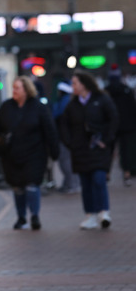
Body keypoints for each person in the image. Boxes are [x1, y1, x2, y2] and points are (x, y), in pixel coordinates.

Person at [0, 76, 59, 230]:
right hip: (11, 156)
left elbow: (49, 130)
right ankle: (21, 217)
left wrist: (54, 151)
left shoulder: (38, 107)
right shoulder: (7, 107)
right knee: (17, 187)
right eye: (13, 87)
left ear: (26, 90)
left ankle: (34, 215)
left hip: (35, 154)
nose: (14, 90)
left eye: (17, 88)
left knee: (32, 185)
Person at [58, 70, 119, 230]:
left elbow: (113, 119)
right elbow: (64, 125)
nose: (73, 86)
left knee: (99, 179)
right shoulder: (72, 105)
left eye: (75, 83)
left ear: (83, 84)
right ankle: (90, 214)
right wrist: (70, 143)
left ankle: (103, 212)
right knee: (86, 183)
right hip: (80, 150)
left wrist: (106, 140)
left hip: (98, 148)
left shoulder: (102, 99)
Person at [104, 65, 136, 187]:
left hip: (112, 126)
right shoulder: (126, 90)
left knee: (109, 150)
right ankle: (126, 174)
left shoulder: (107, 91)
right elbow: (132, 108)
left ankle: (107, 173)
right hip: (126, 126)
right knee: (125, 151)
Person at [52, 80, 80, 193]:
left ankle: (72, 184)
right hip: (65, 137)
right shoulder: (68, 101)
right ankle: (69, 183)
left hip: (64, 137)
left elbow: (58, 117)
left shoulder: (64, 103)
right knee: (66, 161)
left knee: (65, 162)